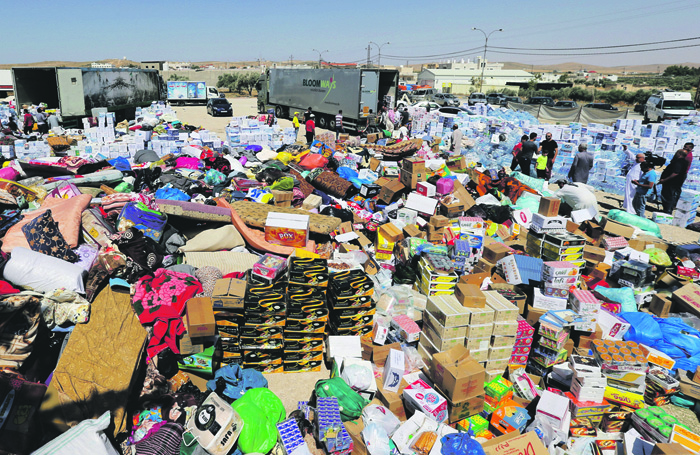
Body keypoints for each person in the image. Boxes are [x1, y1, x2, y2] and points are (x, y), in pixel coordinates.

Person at [658, 149, 689, 214]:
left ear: (679, 154)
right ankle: (667, 209)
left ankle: (667, 211)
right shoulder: (684, 162)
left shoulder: (678, 162)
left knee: (668, 196)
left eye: (677, 153)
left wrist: (664, 179)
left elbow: (675, 173)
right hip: (676, 183)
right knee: (671, 196)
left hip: (671, 183)